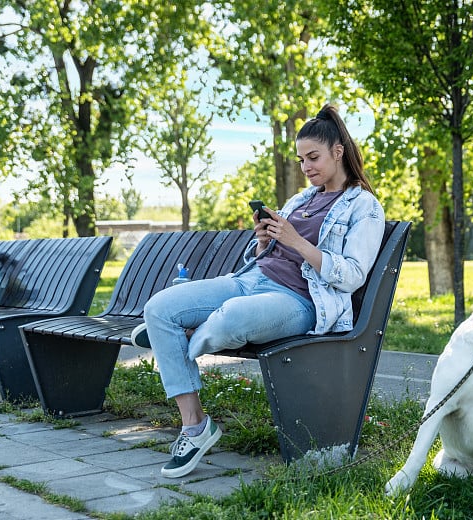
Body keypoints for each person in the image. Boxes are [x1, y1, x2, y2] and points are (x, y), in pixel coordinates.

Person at [130, 104, 385, 478]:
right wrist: (264, 242)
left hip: (300, 301)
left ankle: (176, 337)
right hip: (250, 280)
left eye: (313, 157)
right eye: (300, 160)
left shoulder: (364, 206)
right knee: (158, 309)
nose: (306, 167)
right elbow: (270, 258)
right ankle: (196, 426)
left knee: (229, 319)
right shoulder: (302, 199)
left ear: (338, 151)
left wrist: (297, 241)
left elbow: (351, 275)